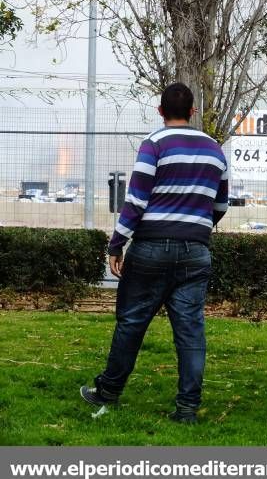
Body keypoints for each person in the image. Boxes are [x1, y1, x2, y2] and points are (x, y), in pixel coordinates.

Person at [80, 82, 228, 423]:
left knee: (131, 322)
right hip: (196, 251)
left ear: (160, 111)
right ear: (193, 112)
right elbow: (219, 204)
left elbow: (135, 202)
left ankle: (108, 392)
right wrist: (198, 224)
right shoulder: (215, 150)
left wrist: (117, 244)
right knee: (190, 331)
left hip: (150, 248)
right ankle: (187, 408)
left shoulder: (154, 145)